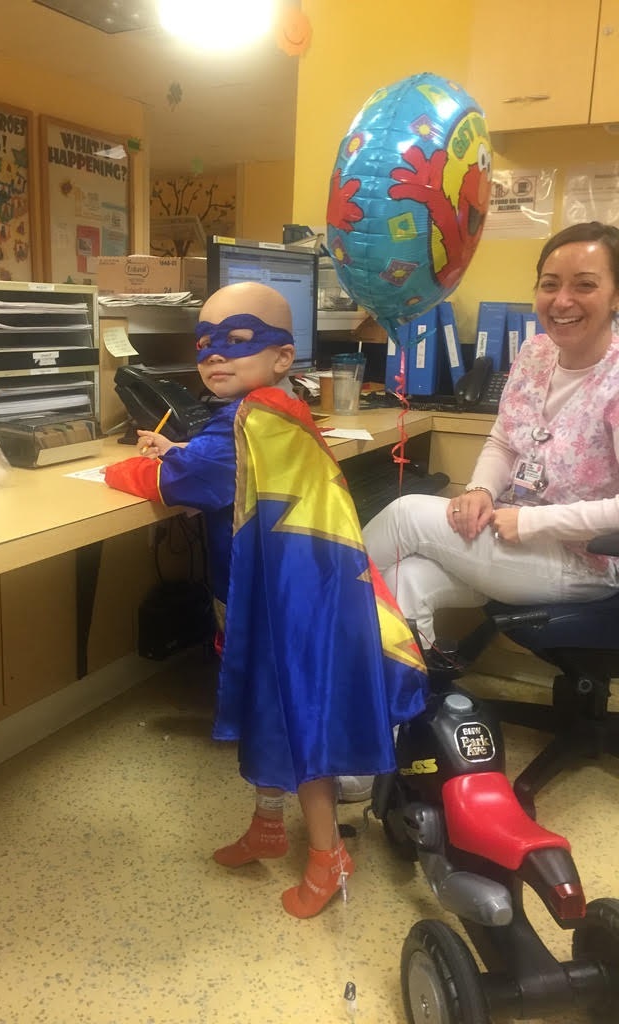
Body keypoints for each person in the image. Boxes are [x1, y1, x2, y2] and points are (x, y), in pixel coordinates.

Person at [105, 281, 427, 918]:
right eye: (204, 344)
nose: (214, 355)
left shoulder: (252, 420)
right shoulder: (269, 411)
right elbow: (219, 462)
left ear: (282, 356)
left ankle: (327, 855)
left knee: (292, 718)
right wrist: (181, 449)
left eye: (238, 340)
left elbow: (188, 480)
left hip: (289, 610)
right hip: (273, 594)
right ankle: (268, 825)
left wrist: (129, 468)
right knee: (263, 708)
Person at [364, 221, 619, 655]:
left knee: (406, 516)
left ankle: (304, 616)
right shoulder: (535, 353)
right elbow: (504, 440)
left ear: (615, 296)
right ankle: (401, 693)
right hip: (509, 533)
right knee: (405, 578)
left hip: (582, 560)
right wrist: (480, 490)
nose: (562, 300)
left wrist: (532, 523)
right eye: (550, 284)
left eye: (585, 285)